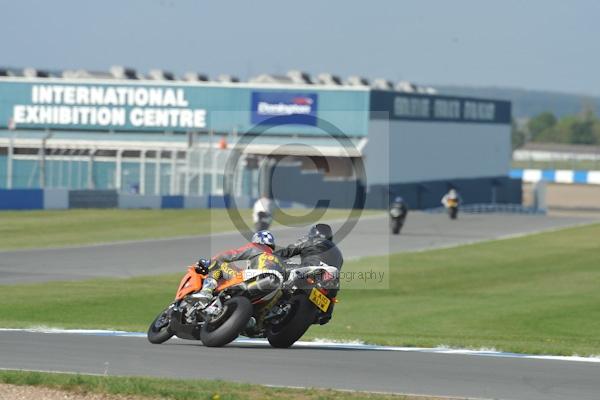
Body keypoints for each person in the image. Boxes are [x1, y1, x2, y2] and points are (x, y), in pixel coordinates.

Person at [191, 230, 282, 307]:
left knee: (221, 264)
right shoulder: (277, 258)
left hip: (257, 278)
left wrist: (209, 262)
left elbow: (232, 254)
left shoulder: (257, 247)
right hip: (275, 287)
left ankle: (206, 292)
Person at [275, 223, 343, 325]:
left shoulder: (309, 240)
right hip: (329, 284)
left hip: (309, 271)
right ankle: (325, 311)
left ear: (313, 233)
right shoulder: (339, 254)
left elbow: (287, 252)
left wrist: (271, 257)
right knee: (331, 298)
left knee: (278, 270)